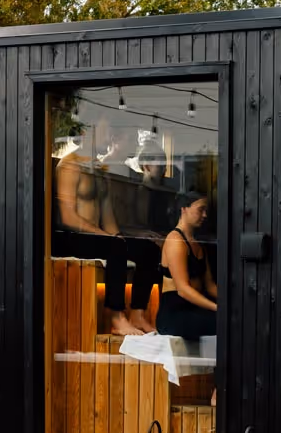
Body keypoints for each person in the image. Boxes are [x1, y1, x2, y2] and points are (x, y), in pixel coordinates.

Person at [52, 123, 159, 336]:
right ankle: (116, 318)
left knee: (149, 250)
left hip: (95, 238)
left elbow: (108, 219)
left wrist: (118, 237)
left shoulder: (100, 171)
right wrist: (109, 239)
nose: (109, 137)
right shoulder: (69, 166)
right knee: (115, 247)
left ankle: (137, 315)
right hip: (70, 237)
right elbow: (67, 217)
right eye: (105, 132)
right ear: (86, 133)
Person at [156, 191, 218, 340]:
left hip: (193, 311)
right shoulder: (175, 240)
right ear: (184, 209)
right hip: (174, 316)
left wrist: (233, 303)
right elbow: (183, 289)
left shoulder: (198, 245)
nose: (205, 215)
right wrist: (217, 308)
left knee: (235, 320)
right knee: (225, 323)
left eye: (206, 211)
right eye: (200, 209)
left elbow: (210, 286)